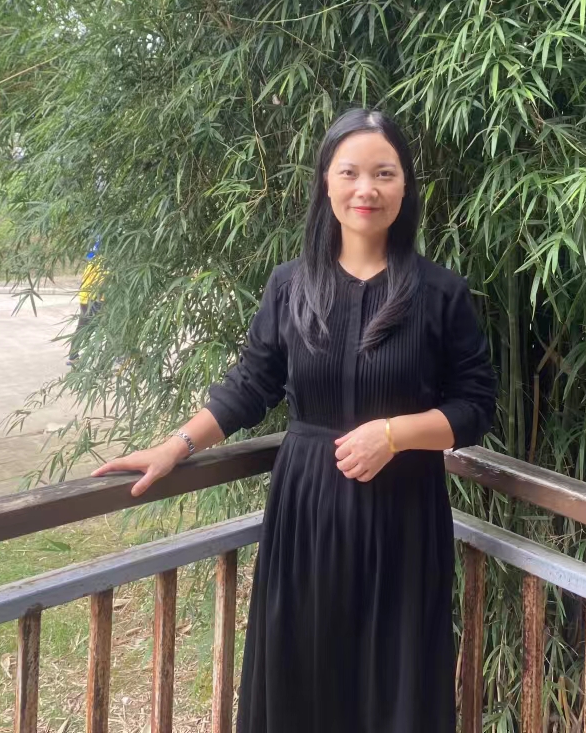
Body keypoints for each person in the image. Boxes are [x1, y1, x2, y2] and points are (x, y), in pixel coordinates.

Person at [92, 108, 496, 733]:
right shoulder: (290, 285)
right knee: (301, 673)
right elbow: (252, 384)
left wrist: (395, 435)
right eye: (350, 172)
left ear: (405, 187)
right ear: (326, 183)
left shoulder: (440, 293)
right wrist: (177, 444)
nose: (367, 189)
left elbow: (475, 406)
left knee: (397, 678)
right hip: (307, 510)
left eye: (384, 173)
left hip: (404, 517)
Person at [69, 239, 105, 365]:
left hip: (85, 298)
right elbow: (103, 283)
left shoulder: (92, 261)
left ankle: (73, 356)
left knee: (82, 327)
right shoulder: (103, 263)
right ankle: (108, 360)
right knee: (110, 328)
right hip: (95, 300)